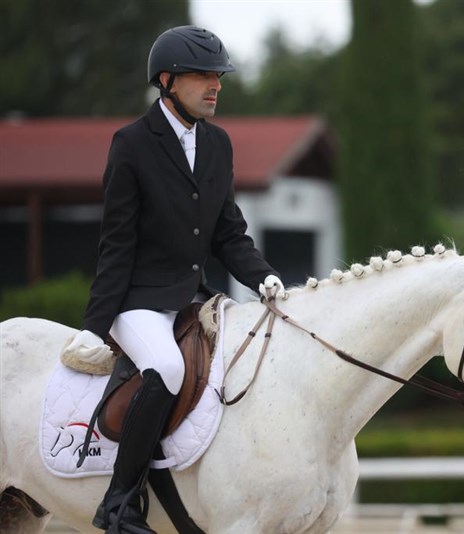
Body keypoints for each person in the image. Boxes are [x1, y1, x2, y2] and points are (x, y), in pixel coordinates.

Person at [61, 25, 282, 534]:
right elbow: (116, 243)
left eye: (218, 76)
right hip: (139, 302)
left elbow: (229, 234)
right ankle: (118, 504)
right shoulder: (132, 144)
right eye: (203, 76)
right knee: (166, 367)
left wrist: (265, 278)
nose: (216, 86)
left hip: (196, 298)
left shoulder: (218, 144)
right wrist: (96, 326)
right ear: (167, 81)